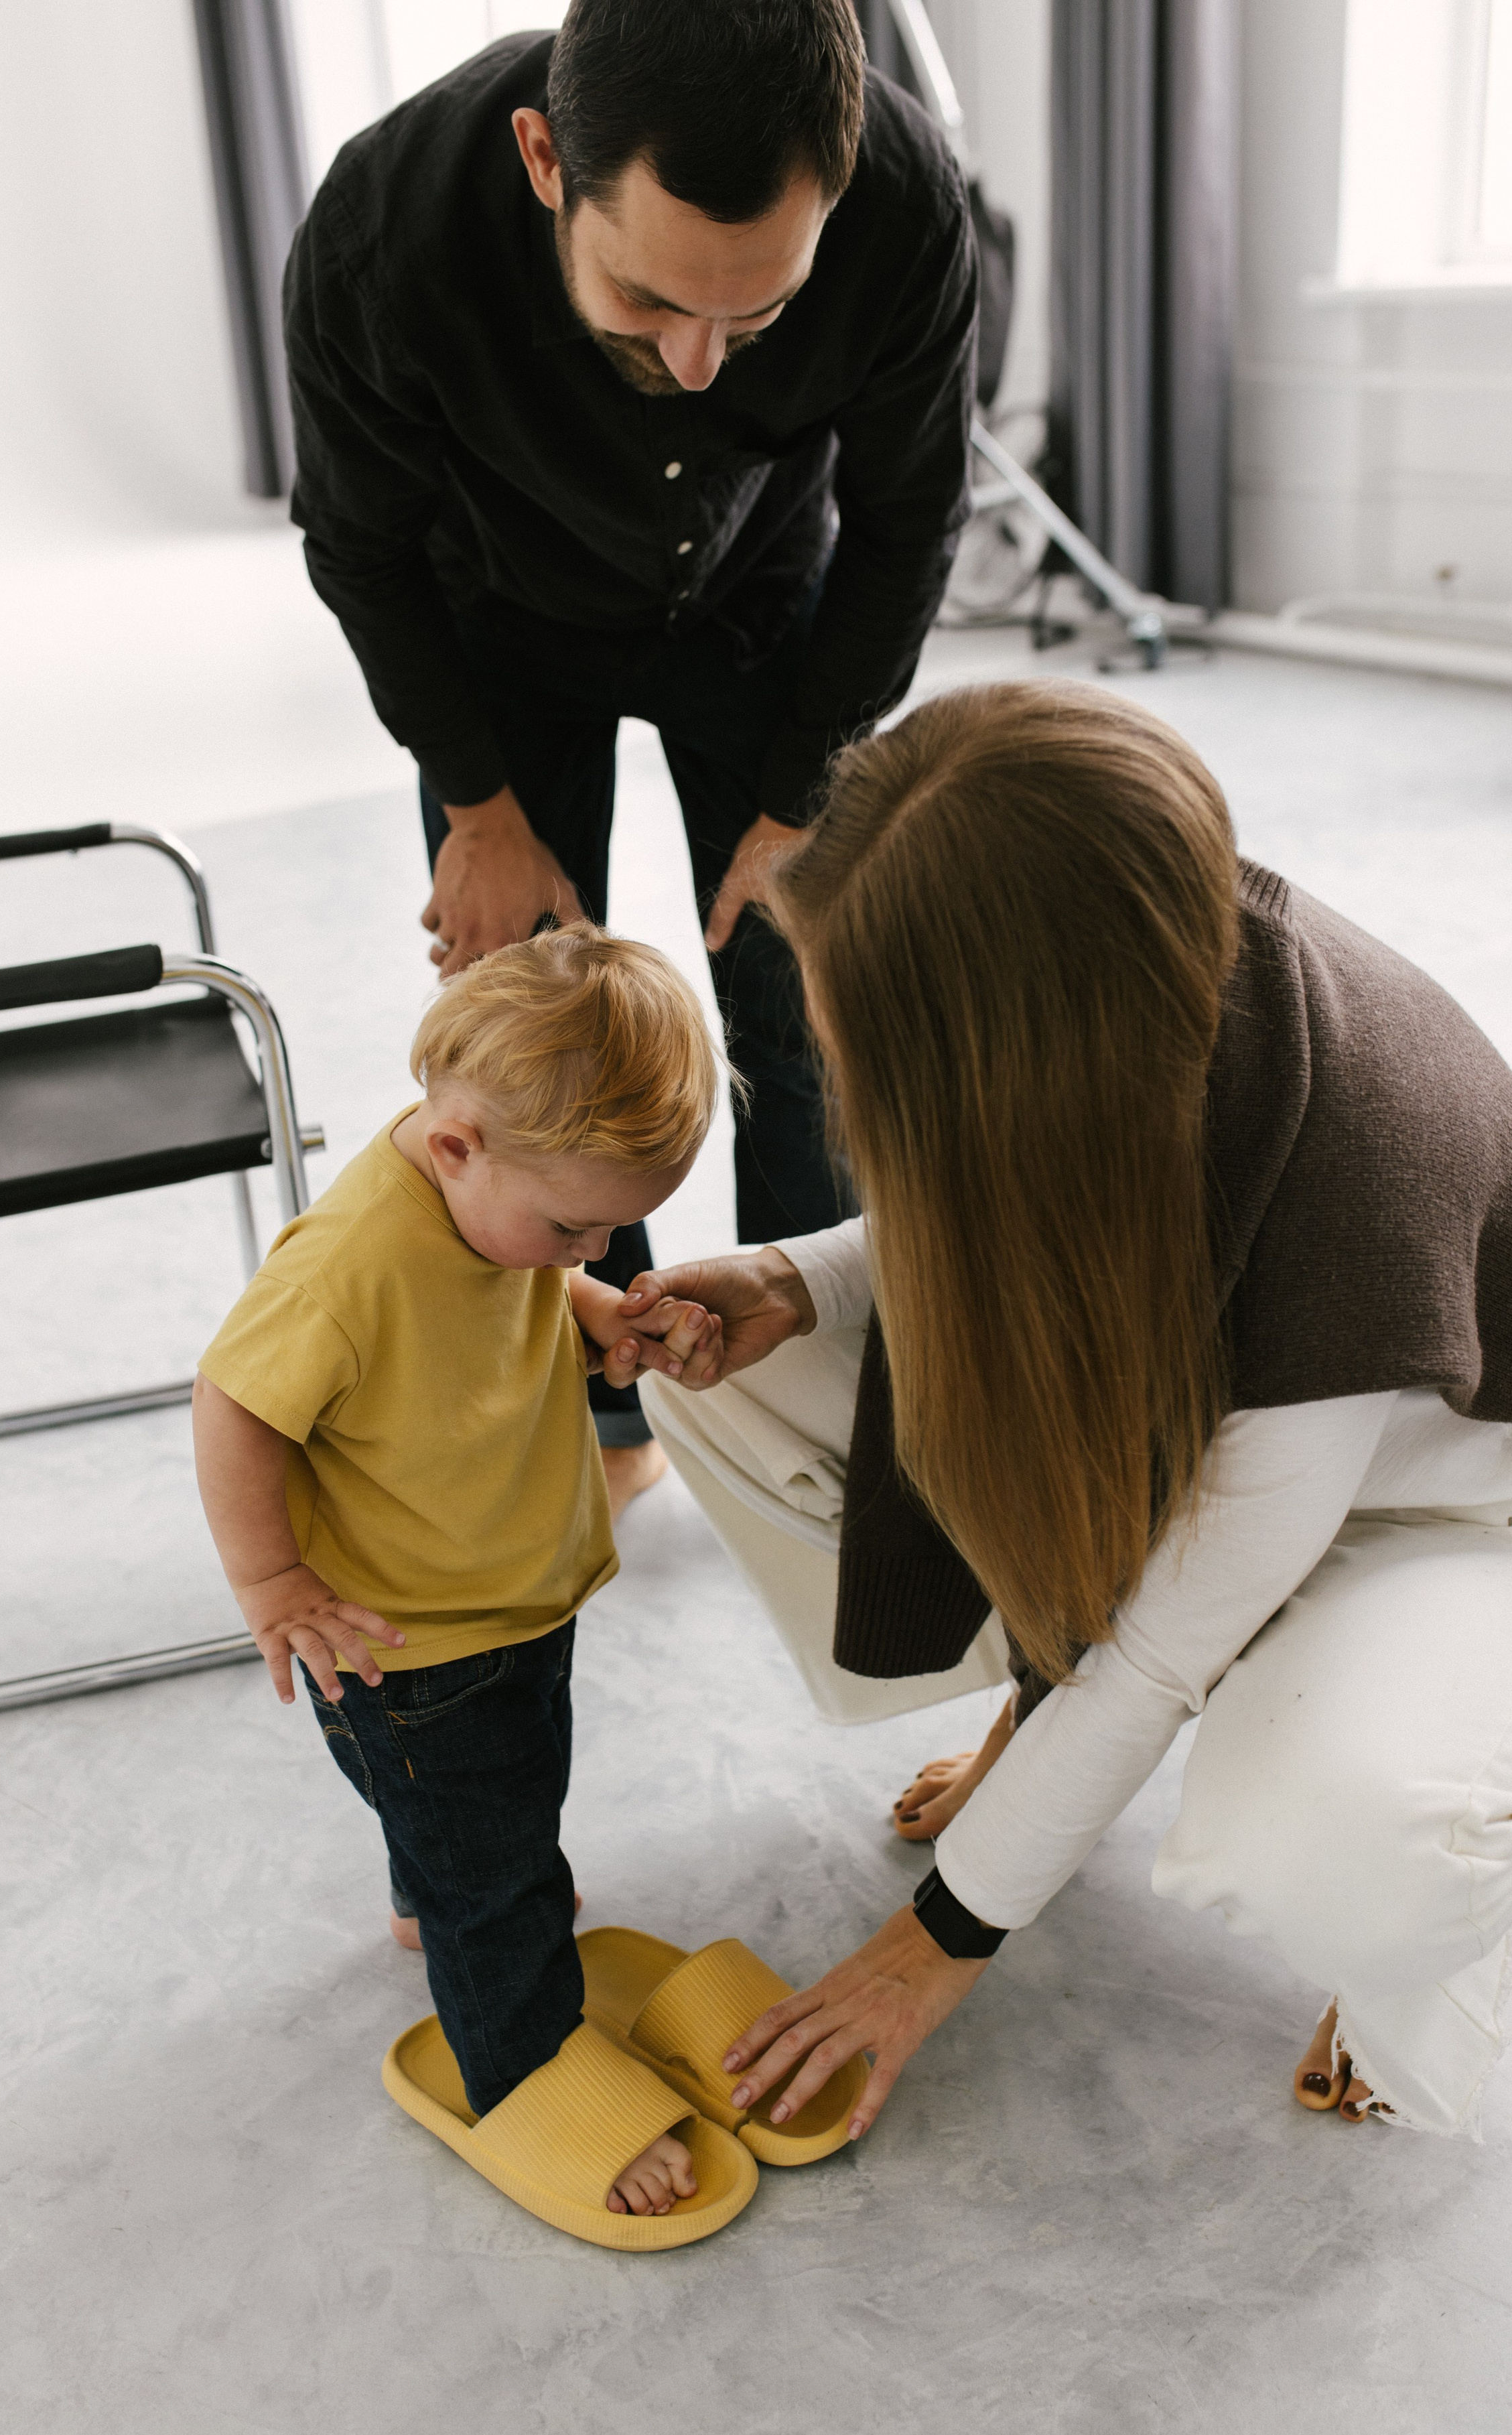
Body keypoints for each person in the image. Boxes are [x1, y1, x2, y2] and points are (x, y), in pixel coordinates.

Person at [603, 680, 1512, 2142]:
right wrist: (797, 1281)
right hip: (1249, 1429)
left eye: (866, 1051)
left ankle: (1434, 1933)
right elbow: (1038, 1237)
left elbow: (1156, 1649)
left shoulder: (1354, 1168)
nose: (833, 1067)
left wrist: (933, 1950)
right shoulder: (1136, 996)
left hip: (1442, 1514)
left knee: (1337, 1844)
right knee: (729, 1361)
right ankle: (1051, 1712)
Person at [282, 0, 978, 1511]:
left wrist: (805, 800)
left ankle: (805, 1392)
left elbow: (911, 518)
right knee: (541, 1055)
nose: (703, 361)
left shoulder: (911, 205)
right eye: (649, 303)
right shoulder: (382, 227)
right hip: (496, 624)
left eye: (760, 315)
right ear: (546, 160)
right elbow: (358, 541)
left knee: (804, 1013)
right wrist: (473, 801)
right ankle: (605, 1407)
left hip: (760, 607)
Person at [191, 925, 730, 2219]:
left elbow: (528, 1285)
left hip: (505, 1598)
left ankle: (427, 1895)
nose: (589, 1254)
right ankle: (524, 2066)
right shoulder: (345, 1269)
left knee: (480, 1801)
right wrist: (272, 1585)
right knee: (503, 1875)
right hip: (412, 1643)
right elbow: (235, 1404)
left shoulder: (494, 1193)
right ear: (452, 1149)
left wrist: (598, 1316)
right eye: (577, 1230)